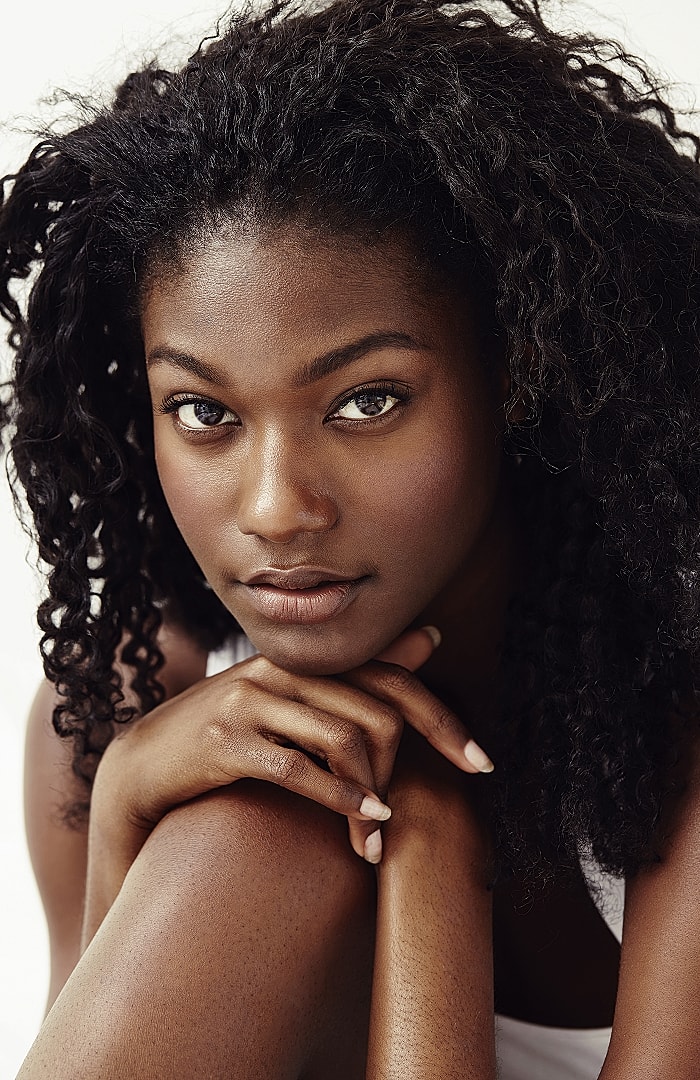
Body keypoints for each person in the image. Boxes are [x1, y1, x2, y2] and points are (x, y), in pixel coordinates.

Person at [2, 0, 699, 1075]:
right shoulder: (129, 698)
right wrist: (122, 807)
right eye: (204, 412)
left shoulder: (677, 721)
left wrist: (430, 845)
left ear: (517, 375)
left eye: (367, 402)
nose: (277, 508)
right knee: (247, 812)